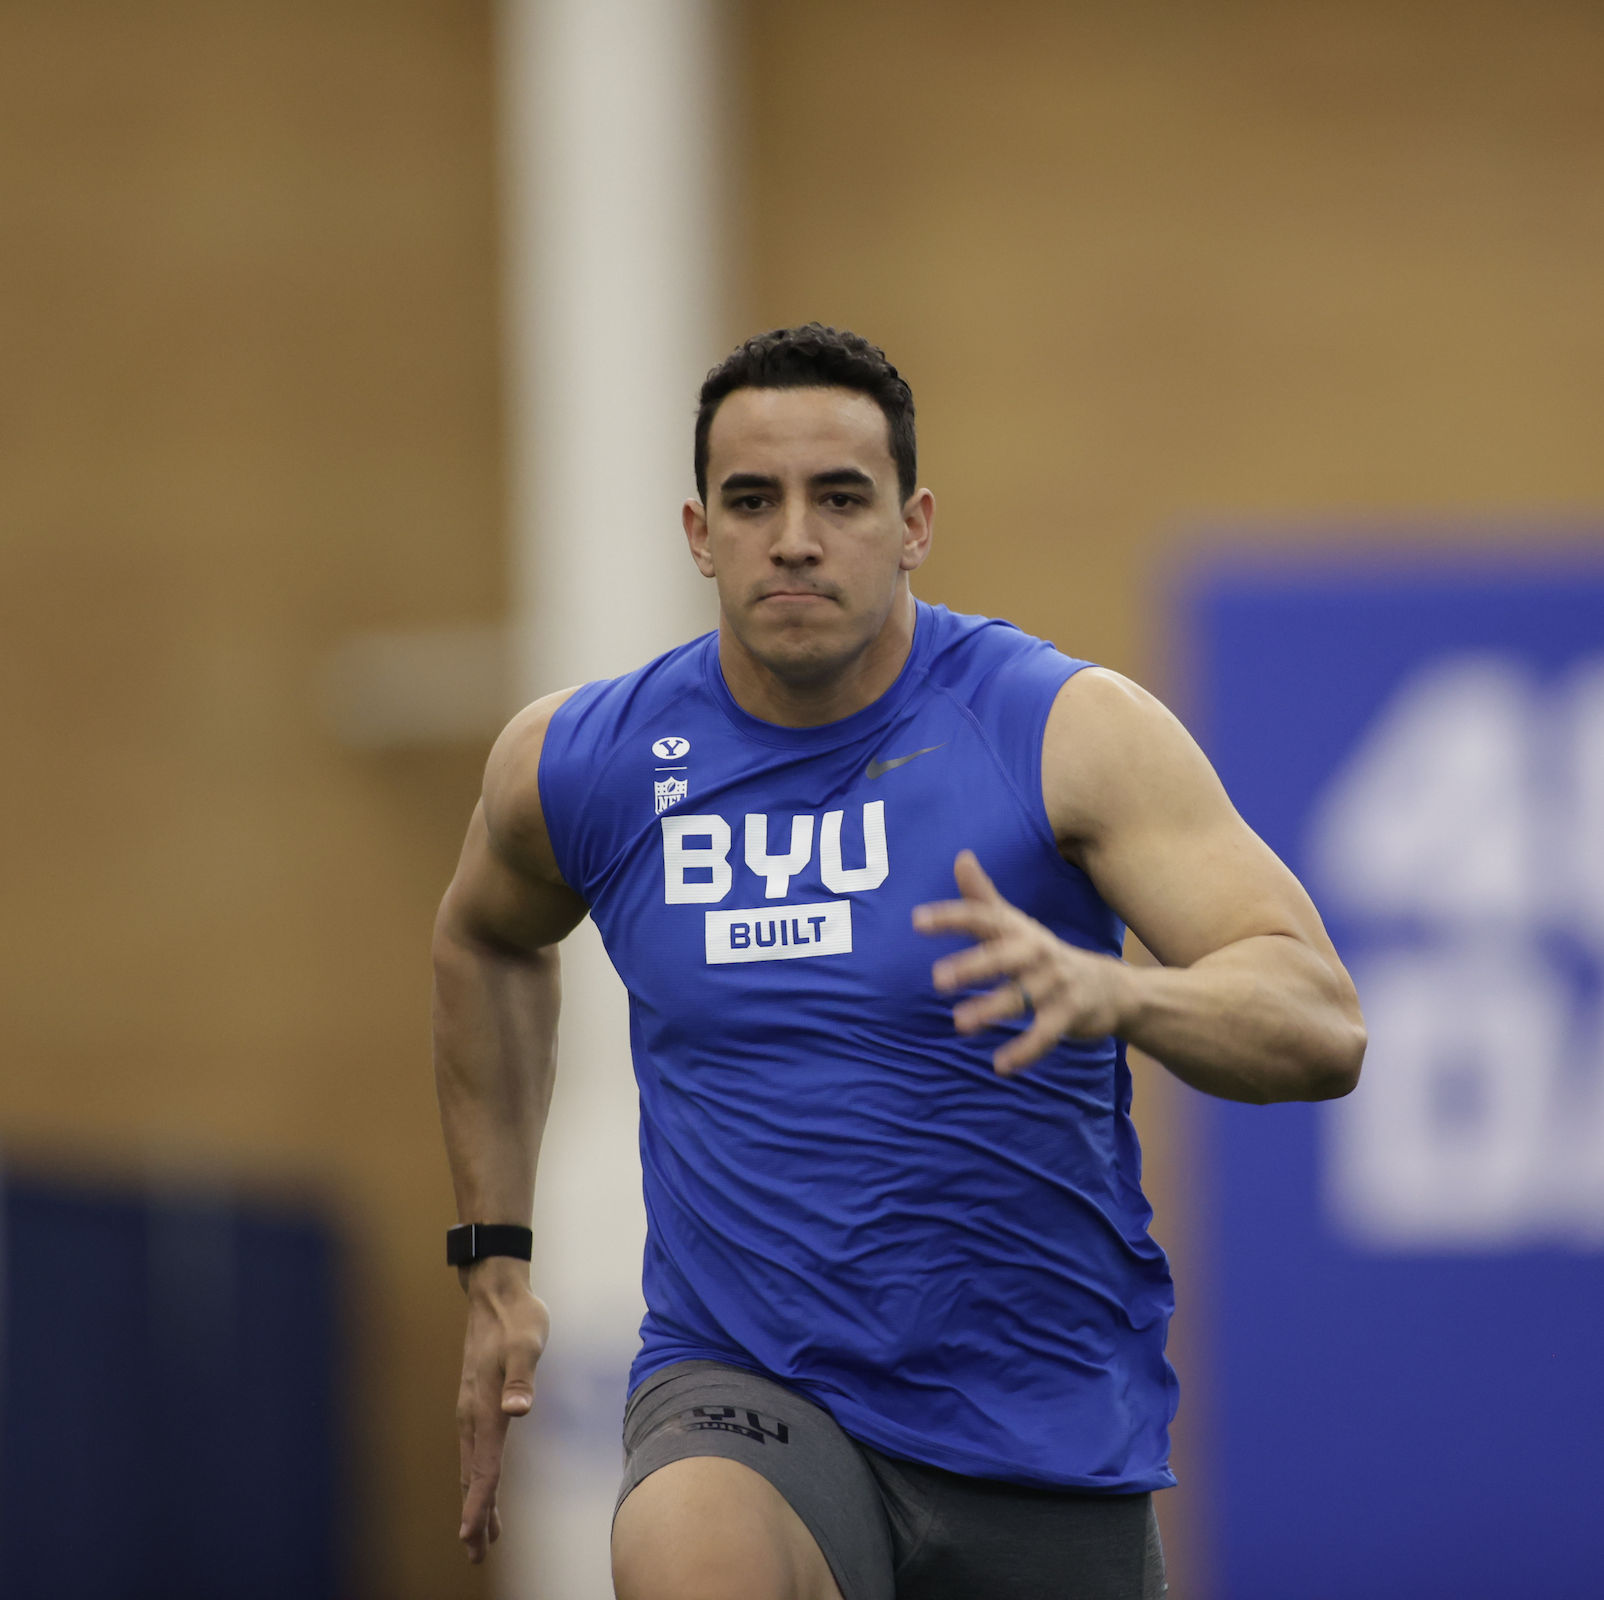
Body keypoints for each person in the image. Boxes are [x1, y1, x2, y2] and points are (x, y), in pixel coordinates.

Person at [433, 323, 1365, 1600]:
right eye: (753, 501)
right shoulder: (588, 762)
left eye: (842, 497)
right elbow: (486, 934)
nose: (797, 537)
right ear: (700, 534)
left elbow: (1320, 1020)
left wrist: (1125, 992)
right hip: (749, 1386)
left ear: (915, 522)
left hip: (1040, 1425)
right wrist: (495, 1260)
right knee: (689, 1555)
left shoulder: (1060, 730)